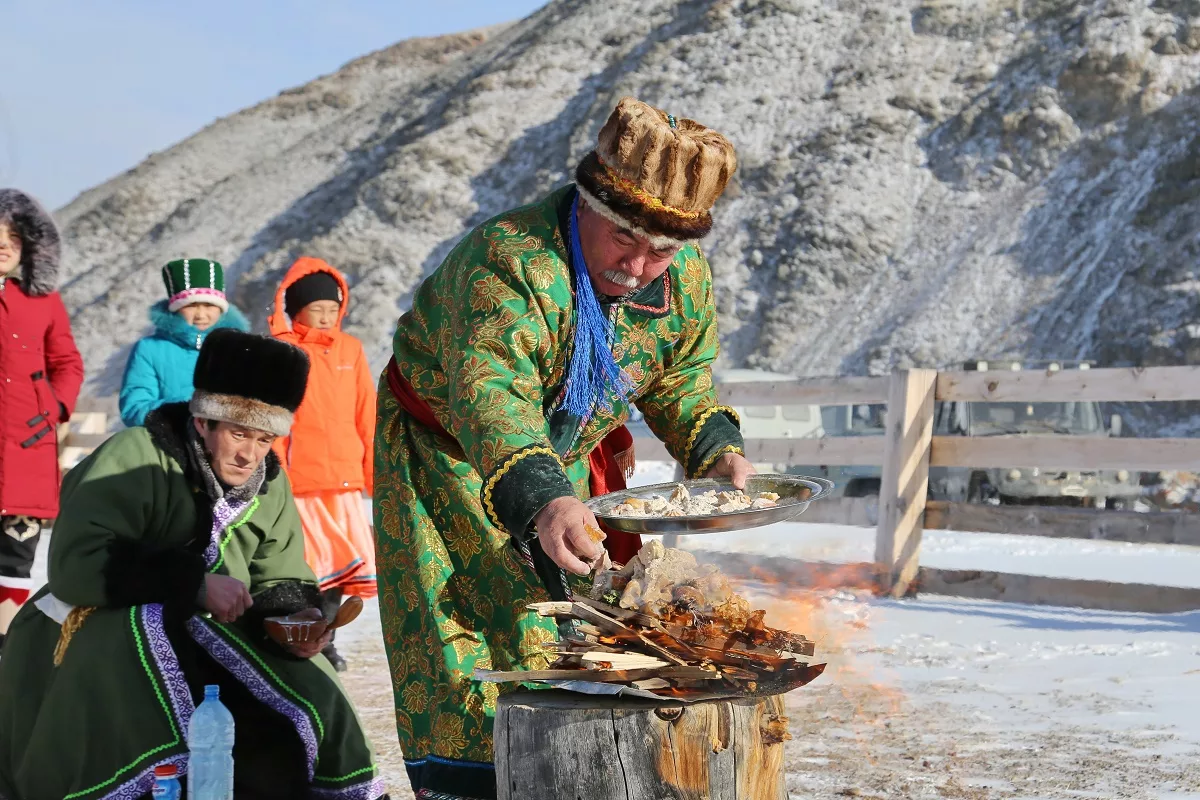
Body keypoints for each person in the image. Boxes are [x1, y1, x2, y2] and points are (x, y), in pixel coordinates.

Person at [373, 97, 755, 799]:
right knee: (467, 640)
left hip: (561, 460)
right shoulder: (509, 261)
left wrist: (714, 448)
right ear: (587, 204)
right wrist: (546, 498)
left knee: (576, 630)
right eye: (623, 238)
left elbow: (677, 377)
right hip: (446, 455)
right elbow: (493, 395)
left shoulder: (686, 281)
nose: (640, 267)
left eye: (662, 249)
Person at [0, 330, 385, 800]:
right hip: (98, 618)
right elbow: (75, 564)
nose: (250, 454)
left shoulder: (270, 484)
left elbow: (280, 573)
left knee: (313, 689)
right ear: (203, 422)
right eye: (239, 433)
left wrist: (296, 617)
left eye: (265, 438)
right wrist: (194, 585)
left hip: (218, 627)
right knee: (137, 647)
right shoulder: (134, 457)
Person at [268, 257, 377, 672]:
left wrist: (371, 474)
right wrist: (273, 472)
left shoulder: (352, 349)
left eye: (334, 309)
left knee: (338, 568)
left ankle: (325, 638)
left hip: (345, 477)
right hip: (299, 479)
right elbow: (275, 415)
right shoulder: (281, 349)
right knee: (308, 566)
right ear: (296, 310)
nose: (328, 317)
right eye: (318, 310)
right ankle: (299, 637)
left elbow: (366, 413)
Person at [0, 189, 84, 649]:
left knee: (16, 558)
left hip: (26, 453)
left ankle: (6, 647)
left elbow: (67, 363)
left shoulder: (44, 301)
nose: (3, 244)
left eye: (13, 236)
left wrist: (52, 408)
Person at [119, 257, 250, 428]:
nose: (201, 315)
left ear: (221, 308)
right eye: (191, 305)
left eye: (209, 305)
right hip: (169, 444)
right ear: (176, 309)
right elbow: (134, 408)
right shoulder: (149, 349)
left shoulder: (240, 349)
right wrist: (193, 409)